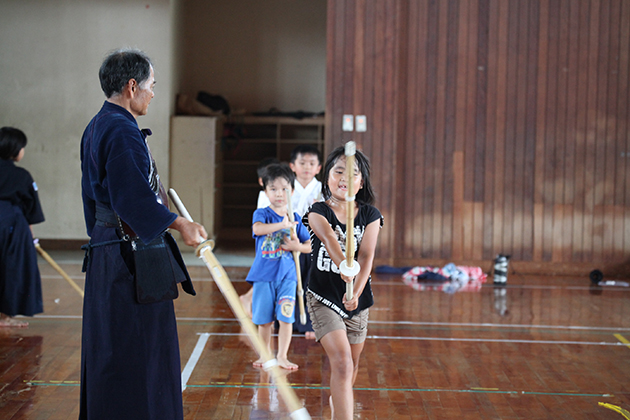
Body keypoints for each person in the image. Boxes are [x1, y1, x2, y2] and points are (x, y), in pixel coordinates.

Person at [79, 48, 207, 420]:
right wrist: (179, 223)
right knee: (134, 353)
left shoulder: (100, 124)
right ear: (132, 86)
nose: (153, 93)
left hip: (111, 250)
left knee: (116, 350)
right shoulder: (119, 129)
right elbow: (130, 199)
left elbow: (98, 198)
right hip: (126, 258)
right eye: (151, 85)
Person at [303, 146, 382, 420]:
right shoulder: (317, 210)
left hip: (357, 300)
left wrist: (356, 291)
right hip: (323, 297)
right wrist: (342, 264)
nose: (344, 177)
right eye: (338, 171)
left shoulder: (370, 215)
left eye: (352, 173)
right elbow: (328, 239)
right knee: (342, 362)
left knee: (352, 364)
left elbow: (367, 254)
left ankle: (339, 400)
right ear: (327, 177)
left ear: (361, 183)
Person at [245, 163, 311, 370]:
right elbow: (257, 229)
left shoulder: (296, 218)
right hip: (264, 276)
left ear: (291, 191)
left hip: (288, 277)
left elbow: (309, 245)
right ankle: (266, 356)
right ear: (265, 192)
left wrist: (296, 246)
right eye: (273, 189)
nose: (279, 194)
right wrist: (282, 225)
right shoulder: (262, 213)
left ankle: (282, 356)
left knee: (285, 318)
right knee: (264, 321)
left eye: (284, 189)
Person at [0, 127, 45, 328]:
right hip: (11, 225)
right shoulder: (21, 176)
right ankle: (4, 317)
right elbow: (30, 207)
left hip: (10, 223)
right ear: (15, 149)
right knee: (11, 269)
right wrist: (30, 233)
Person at [288, 145, 322, 339]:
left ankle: (308, 323)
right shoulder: (286, 187)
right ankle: (286, 320)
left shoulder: (322, 189)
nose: (307, 167)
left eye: (311, 163)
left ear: (318, 168)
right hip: (290, 240)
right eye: (302, 163)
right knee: (289, 282)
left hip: (313, 242)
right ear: (293, 166)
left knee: (311, 283)